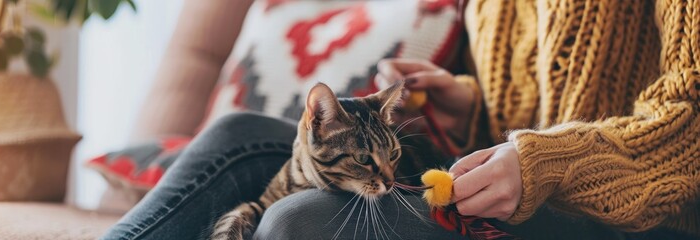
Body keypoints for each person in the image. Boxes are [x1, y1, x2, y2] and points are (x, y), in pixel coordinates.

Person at [103, 0, 699, 239]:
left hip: (621, 214)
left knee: (294, 222)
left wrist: (548, 160)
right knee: (237, 132)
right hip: (503, 185)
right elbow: (529, 107)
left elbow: (689, 117)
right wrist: (465, 103)